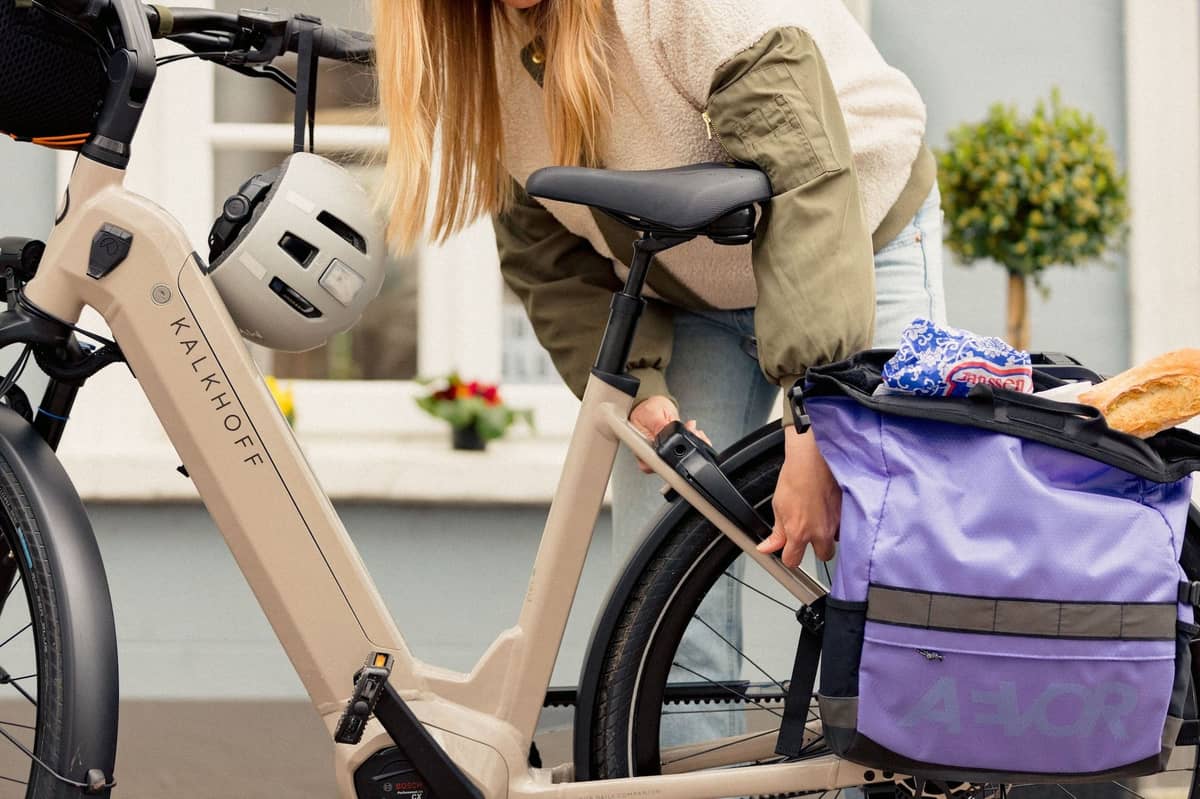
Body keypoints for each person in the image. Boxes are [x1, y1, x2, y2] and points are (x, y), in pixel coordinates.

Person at [373, 0, 946, 741]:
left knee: (885, 549)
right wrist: (640, 392)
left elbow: (805, 177)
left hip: (856, 226)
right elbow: (548, 253)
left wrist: (816, 417)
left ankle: (909, 774)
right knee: (666, 579)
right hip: (693, 291)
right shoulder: (476, 47)